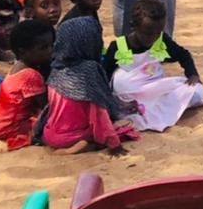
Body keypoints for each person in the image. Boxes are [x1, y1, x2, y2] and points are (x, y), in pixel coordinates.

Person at [102, 0, 203, 132]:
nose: (154, 37)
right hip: (128, 98)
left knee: (196, 91)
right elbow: (104, 75)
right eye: (148, 33)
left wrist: (192, 74)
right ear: (134, 26)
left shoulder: (161, 41)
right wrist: (115, 102)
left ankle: (147, 111)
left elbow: (183, 55)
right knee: (122, 110)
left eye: (158, 32)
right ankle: (140, 112)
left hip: (153, 89)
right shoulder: (117, 46)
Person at [37, 16, 139, 155]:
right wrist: (115, 146)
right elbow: (98, 114)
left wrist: (120, 105)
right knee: (124, 128)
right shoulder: (89, 71)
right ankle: (83, 146)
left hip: (50, 134)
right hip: (72, 137)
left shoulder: (56, 68)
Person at [0, 20, 54, 150]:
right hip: (13, 129)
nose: (50, 51)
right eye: (43, 48)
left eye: (51, 45)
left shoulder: (18, 67)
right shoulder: (31, 75)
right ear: (23, 51)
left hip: (0, 124)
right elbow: (46, 107)